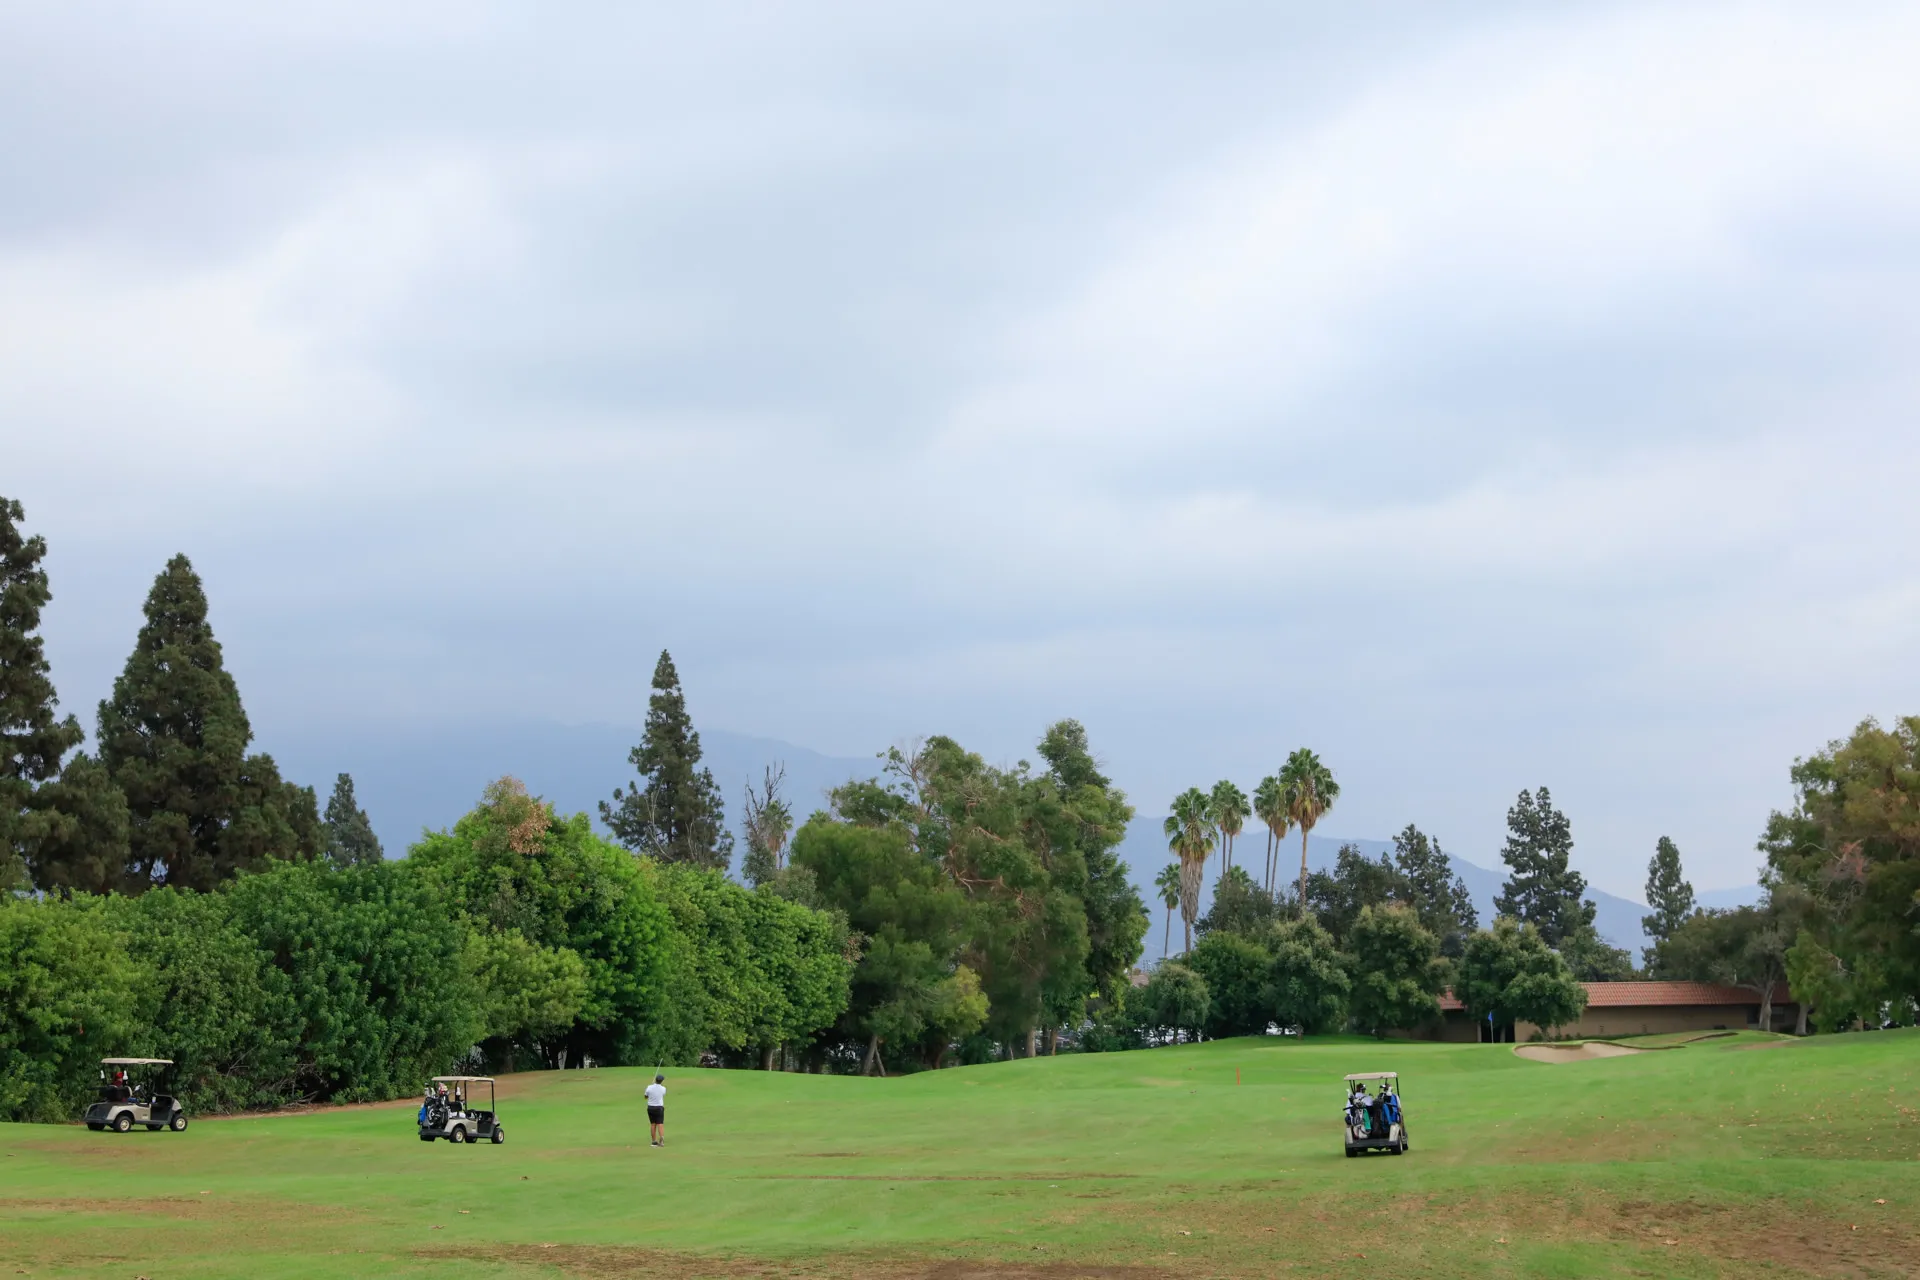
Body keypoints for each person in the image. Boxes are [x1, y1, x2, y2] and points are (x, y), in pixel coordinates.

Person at [645, 1074, 667, 1147]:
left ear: (655, 1079)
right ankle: (661, 1139)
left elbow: (645, 1097)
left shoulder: (649, 1087)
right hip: (659, 1107)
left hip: (650, 1107)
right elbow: (662, 1095)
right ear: (662, 1081)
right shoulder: (663, 1088)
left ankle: (654, 1141)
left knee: (653, 1124)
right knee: (660, 1123)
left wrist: (649, 1090)